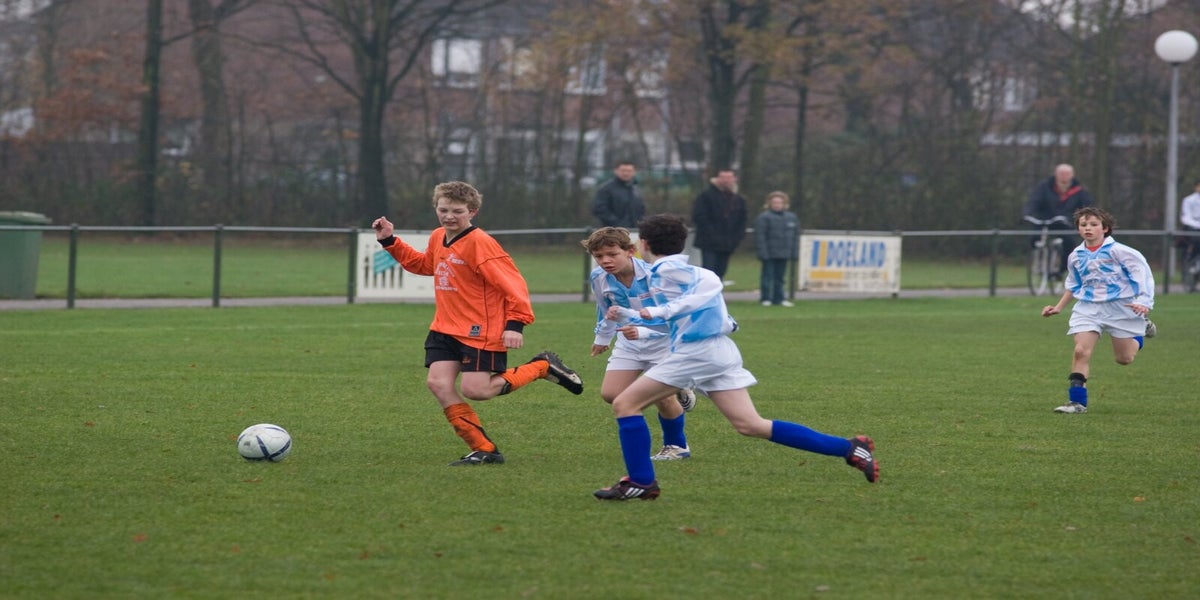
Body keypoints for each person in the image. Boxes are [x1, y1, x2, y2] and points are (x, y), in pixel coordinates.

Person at [593, 214, 877, 501]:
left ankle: (642, 482)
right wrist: (631, 315)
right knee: (750, 425)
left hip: (697, 353)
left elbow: (705, 288)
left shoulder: (667, 270)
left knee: (625, 404)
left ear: (642, 244)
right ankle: (850, 448)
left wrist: (658, 311)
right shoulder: (675, 270)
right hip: (716, 351)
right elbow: (694, 303)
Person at [371, 181, 585, 466]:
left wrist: (515, 324)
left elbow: (513, 284)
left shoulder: (480, 244)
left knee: (477, 391)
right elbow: (425, 266)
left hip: (480, 330)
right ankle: (484, 448)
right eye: (443, 210)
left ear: (472, 211)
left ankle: (542, 367)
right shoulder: (438, 236)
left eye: (457, 211)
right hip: (444, 328)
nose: (449, 216)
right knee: (438, 383)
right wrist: (390, 241)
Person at [582, 227, 698, 461]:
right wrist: (602, 338)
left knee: (661, 397)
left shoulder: (656, 276)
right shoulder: (598, 277)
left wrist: (643, 331)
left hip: (664, 343)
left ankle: (677, 445)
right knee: (611, 394)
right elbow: (606, 309)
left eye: (612, 254)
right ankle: (678, 386)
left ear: (630, 251)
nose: (605, 261)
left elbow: (674, 318)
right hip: (629, 343)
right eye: (599, 256)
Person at [1040, 207, 1156, 414]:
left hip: (1122, 307)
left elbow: (1143, 276)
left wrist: (1144, 302)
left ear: (1105, 228)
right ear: (1078, 229)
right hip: (1088, 307)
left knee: (1124, 359)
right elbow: (1074, 284)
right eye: (1083, 225)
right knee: (1080, 351)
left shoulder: (1121, 252)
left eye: (1094, 224)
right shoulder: (1076, 255)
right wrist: (1058, 307)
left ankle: (1141, 330)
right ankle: (1077, 402)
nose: (1088, 228)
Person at [1022, 164, 1095, 277]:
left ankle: (1061, 270)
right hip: (1045, 220)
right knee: (1034, 237)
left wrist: (1084, 219)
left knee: (1069, 243)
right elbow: (1034, 201)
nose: (1064, 176)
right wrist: (1027, 213)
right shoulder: (1044, 187)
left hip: (1066, 223)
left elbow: (1087, 206)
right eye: (1061, 173)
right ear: (1055, 174)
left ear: (1072, 175)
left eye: (1067, 174)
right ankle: (1038, 260)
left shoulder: (1079, 190)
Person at [690, 168, 747, 283]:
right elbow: (699, 216)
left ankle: (717, 291)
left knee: (721, 271)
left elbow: (742, 220)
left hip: (728, 243)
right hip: (709, 243)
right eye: (723, 177)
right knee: (708, 271)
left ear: (735, 179)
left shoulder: (738, 199)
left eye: (729, 177)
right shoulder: (706, 196)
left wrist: (737, 238)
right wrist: (712, 234)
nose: (726, 180)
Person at [754, 191, 799, 307]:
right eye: (774, 202)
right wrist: (763, 252)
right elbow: (760, 236)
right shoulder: (764, 218)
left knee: (780, 278)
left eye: (779, 202)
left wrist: (794, 252)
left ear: (784, 203)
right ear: (769, 203)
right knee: (767, 277)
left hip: (784, 253)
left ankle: (779, 298)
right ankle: (765, 298)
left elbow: (795, 237)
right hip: (769, 253)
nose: (777, 205)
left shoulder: (791, 218)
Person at [590, 161, 645, 228]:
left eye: (629, 171)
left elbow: (641, 209)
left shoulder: (635, 188)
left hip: (634, 230)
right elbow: (599, 209)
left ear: (634, 172)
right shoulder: (606, 189)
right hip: (612, 230)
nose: (626, 173)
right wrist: (617, 224)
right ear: (616, 171)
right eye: (623, 170)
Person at [1179, 179, 1200, 271]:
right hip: (1193, 227)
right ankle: (1192, 261)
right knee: (1196, 241)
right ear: (1195, 187)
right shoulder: (1188, 200)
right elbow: (1186, 217)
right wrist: (1197, 225)